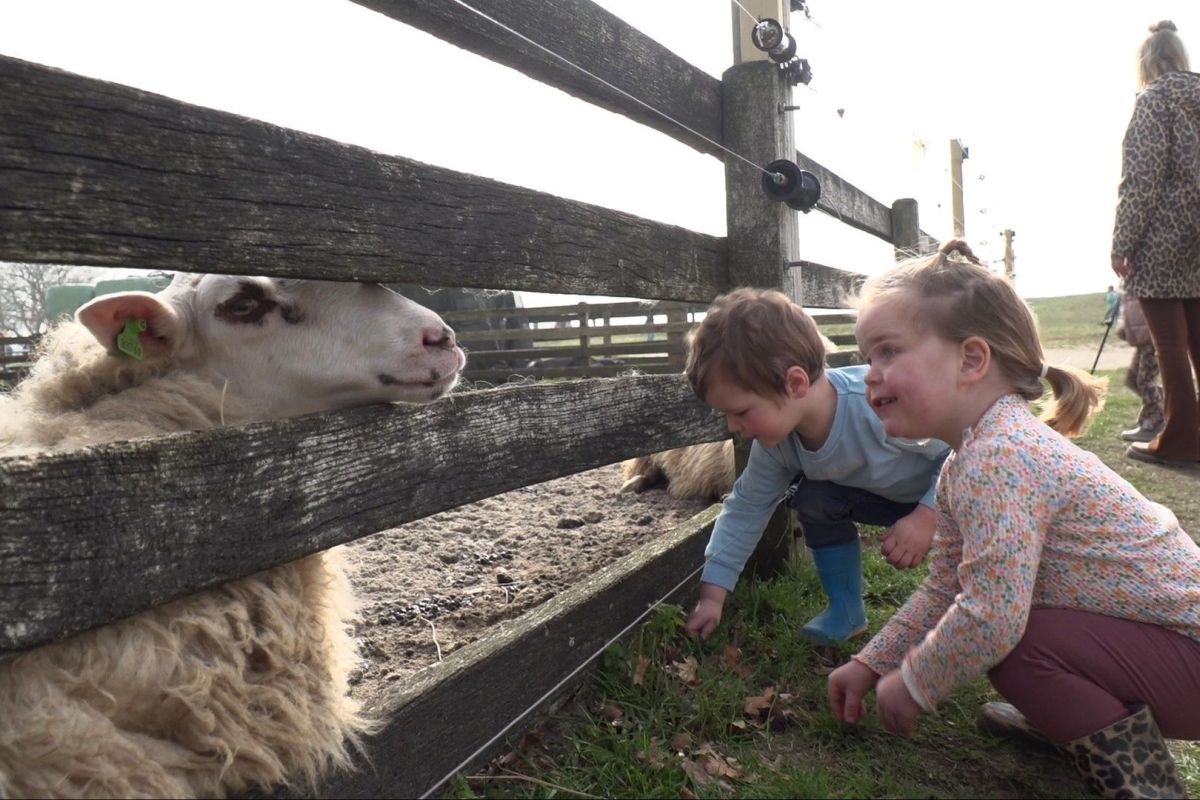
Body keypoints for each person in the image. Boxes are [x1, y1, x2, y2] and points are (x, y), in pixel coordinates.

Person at [827, 240, 1199, 798]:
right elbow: (945, 585)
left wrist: (915, 683)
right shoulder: (971, 459)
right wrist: (873, 661)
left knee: (1017, 645)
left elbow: (992, 616)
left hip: (1188, 650)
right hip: (1172, 650)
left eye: (887, 352)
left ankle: (1145, 786)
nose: (868, 374)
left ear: (971, 360)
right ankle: (1071, 724)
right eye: (866, 355)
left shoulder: (1001, 458)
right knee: (1014, 632)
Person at [681, 287, 949, 646]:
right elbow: (745, 508)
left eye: (741, 411)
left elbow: (963, 447)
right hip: (889, 499)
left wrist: (928, 515)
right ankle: (845, 611)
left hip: (958, 493)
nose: (732, 426)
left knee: (982, 572)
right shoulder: (778, 447)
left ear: (794, 383)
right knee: (814, 497)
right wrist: (712, 596)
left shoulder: (876, 402)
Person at [1111, 21, 1200, 466]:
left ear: (1147, 61)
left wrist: (1122, 241)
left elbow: (1141, 179)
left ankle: (1183, 438)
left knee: (1169, 346)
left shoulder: (1154, 100)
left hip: (1164, 240)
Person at [1115, 294, 1165, 442]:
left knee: (1145, 382)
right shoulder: (1129, 284)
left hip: (1151, 339)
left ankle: (1153, 423)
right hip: (1142, 339)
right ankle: (1167, 404)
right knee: (1132, 379)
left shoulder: (1144, 281)